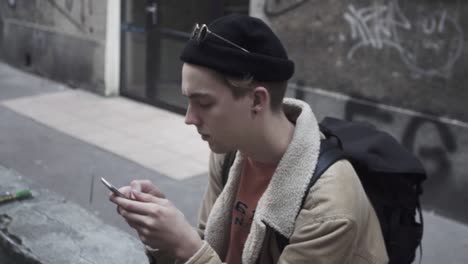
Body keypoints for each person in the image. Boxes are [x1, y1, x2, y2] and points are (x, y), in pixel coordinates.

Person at [110, 14, 389, 264]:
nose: (189, 118)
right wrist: (164, 239)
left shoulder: (330, 206)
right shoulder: (228, 154)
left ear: (256, 100)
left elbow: (199, 253)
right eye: (188, 101)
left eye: (203, 103)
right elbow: (212, 246)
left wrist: (187, 247)